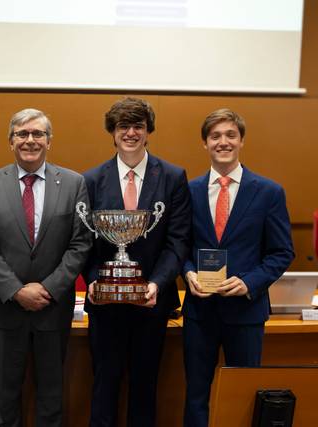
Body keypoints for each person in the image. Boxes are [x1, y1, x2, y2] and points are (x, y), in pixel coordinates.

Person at [0, 108, 92, 426]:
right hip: (6, 310)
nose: (30, 140)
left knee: (51, 398)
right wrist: (16, 291)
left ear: (49, 141)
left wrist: (49, 288)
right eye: (22, 134)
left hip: (52, 310)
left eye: (38, 134)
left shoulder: (73, 183)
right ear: (10, 141)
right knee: (7, 397)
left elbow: (80, 244)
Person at [83, 97, 192, 427]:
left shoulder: (173, 177)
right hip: (105, 305)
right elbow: (84, 243)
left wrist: (157, 283)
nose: (130, 133)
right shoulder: (90, 180)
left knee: (145, 388)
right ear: (112, 133)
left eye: (138, 126)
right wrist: (91, 279)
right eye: (122, 127)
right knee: (104, 386)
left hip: (151, 303)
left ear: (148, 132)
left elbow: (178, 241)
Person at [182, 108, 294, 427]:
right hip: (199, 312)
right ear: (205, 143)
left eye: (231, 135)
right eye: (215, 136)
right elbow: (180, 246)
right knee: (195, 394)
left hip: (245, 311)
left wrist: (249, 283)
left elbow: (281, 251)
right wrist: (188, 271)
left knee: (244, 395)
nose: (223, 142)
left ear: (242, 140)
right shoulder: (188, 191)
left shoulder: (269, 192)